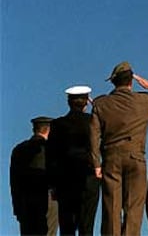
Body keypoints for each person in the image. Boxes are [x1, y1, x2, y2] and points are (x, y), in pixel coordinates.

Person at [90, 61, 148, 236]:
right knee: (133, 209)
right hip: (136, 158)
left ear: (114, 82)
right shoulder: (143, 101)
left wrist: (96, 163)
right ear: (131, 81)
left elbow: (93, 136)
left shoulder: (101, 104)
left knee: (111, 207)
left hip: (111, 157)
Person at [46, 85, 100, 236]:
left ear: (68, 102)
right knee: (87, 226)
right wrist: (96, 106)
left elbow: (51, 156)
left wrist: (52, 184)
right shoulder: (93, 122)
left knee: (67, 227)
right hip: (89, 176)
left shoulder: (57, 125)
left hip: (65, 179)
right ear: (86, 102)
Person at [10, 116, 57, 235]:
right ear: (49, 131)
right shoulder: (51, 149)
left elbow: (14, 181)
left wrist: (17, 207)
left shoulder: (19, 149)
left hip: (24, 200)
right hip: (48, 199)